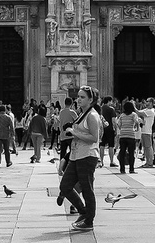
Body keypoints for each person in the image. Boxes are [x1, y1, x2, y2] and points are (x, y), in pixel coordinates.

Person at [59, 86, 103, 232]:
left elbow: (94, 138)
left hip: (87, 156)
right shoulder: (81, 114)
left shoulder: (92, 115)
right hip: (76, 156)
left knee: (87, 189)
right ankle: (83, 212)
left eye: (82, 97)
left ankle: (89, 220)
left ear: (91, 100)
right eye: (78, 96)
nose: (78, 99)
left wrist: (74, 132)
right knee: (65, 186)